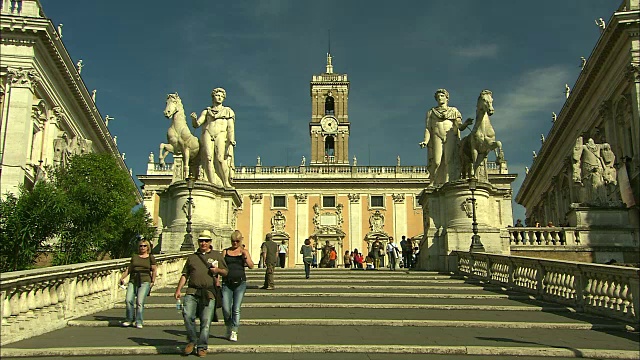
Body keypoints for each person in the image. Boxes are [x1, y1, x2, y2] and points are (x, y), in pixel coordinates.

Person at [174, 230, 228, 357]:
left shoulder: (217, 255)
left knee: (206, 321)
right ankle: (192, 340)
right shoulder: (192, 257)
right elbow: (184, 275)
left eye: (206, 241)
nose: (204, 243)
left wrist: (217, 270)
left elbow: (225, 272)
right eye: (201, 240)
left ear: (210, 242)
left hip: (209, 292)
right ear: (198, 242)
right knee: (187, 315)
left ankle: (202, 346)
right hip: (192, 291)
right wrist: (178, 289)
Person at [419, 88, 472, 185]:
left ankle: (449, 182)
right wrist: (425, 141)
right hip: (436, 136)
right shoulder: (431, 112)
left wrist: (466, 124)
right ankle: (434, 181)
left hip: (450, 135)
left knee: (449, 160)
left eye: (442, 96)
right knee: (436, 161)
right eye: (438, 96)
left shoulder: (454, 111)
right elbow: (428, 129)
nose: (440, 98)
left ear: (447, 98)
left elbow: (459, 126)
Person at [191, 88, 236, 188]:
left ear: (224, 98)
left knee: (220, 158)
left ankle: (226, 182)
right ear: (213, 97)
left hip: (221, 134)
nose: (219, 97)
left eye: (221, 96)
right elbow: (197, 124)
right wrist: (194, 119)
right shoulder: (207, 111)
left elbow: (230, 127)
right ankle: (211, 183)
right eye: (217, 95)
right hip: (208, 133)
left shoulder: (228, 111)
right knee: (208, 158)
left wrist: (231, 140)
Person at [221, 230, 254, 342]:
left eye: (237, 241)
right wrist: (216, 279)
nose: (235, 243)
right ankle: (228, 326)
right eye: (233, 241)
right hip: (226, 282)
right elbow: (220, 266)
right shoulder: (225, 252)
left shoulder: (244, 252)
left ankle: (234, 330)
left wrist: (245, 257)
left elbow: (251, 266)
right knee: (226, 308)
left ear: (240, 241)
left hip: (240, 283)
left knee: (236, 309)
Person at [119, 237, 157, 328]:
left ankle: (139, 321)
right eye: (141, 246)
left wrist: (152, 281)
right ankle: (129, 319)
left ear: (148, 247)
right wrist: (122, 277)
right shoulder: (135, 257)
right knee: (128, 300)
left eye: (144, 246)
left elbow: (154, 270)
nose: (142, 247)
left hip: (145, 281)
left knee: (139, 301)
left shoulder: (150, 257)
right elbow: (129, 269)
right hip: (133, 280)